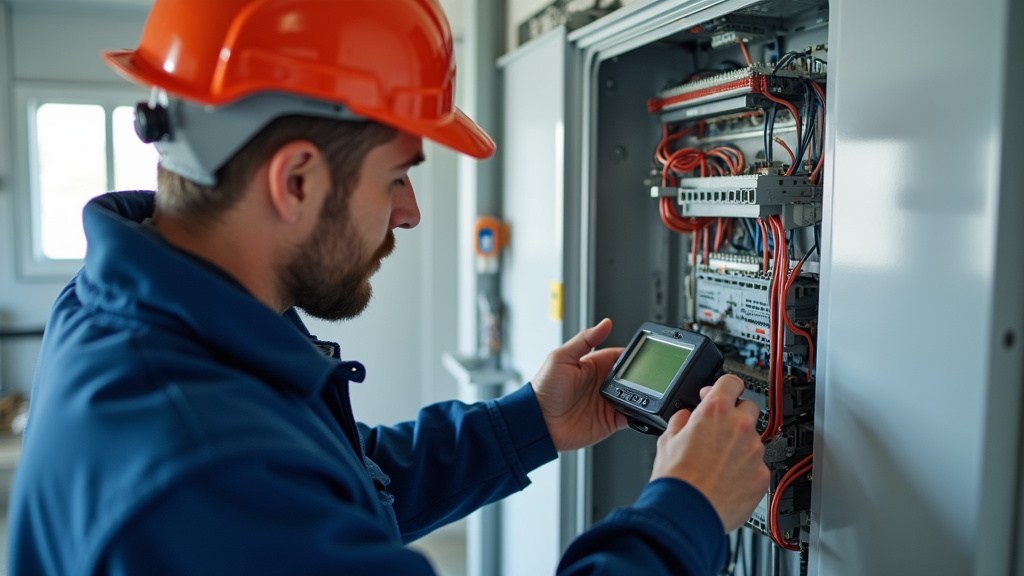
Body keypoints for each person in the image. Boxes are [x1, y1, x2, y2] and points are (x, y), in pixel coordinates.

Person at [7, 0, 769, 574]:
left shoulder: (139, 306)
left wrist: (530, 422)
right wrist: (688, 511)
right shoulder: (196, 467)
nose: (408, 213)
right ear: (296, 179)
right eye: (397, 176)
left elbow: (334, 481)